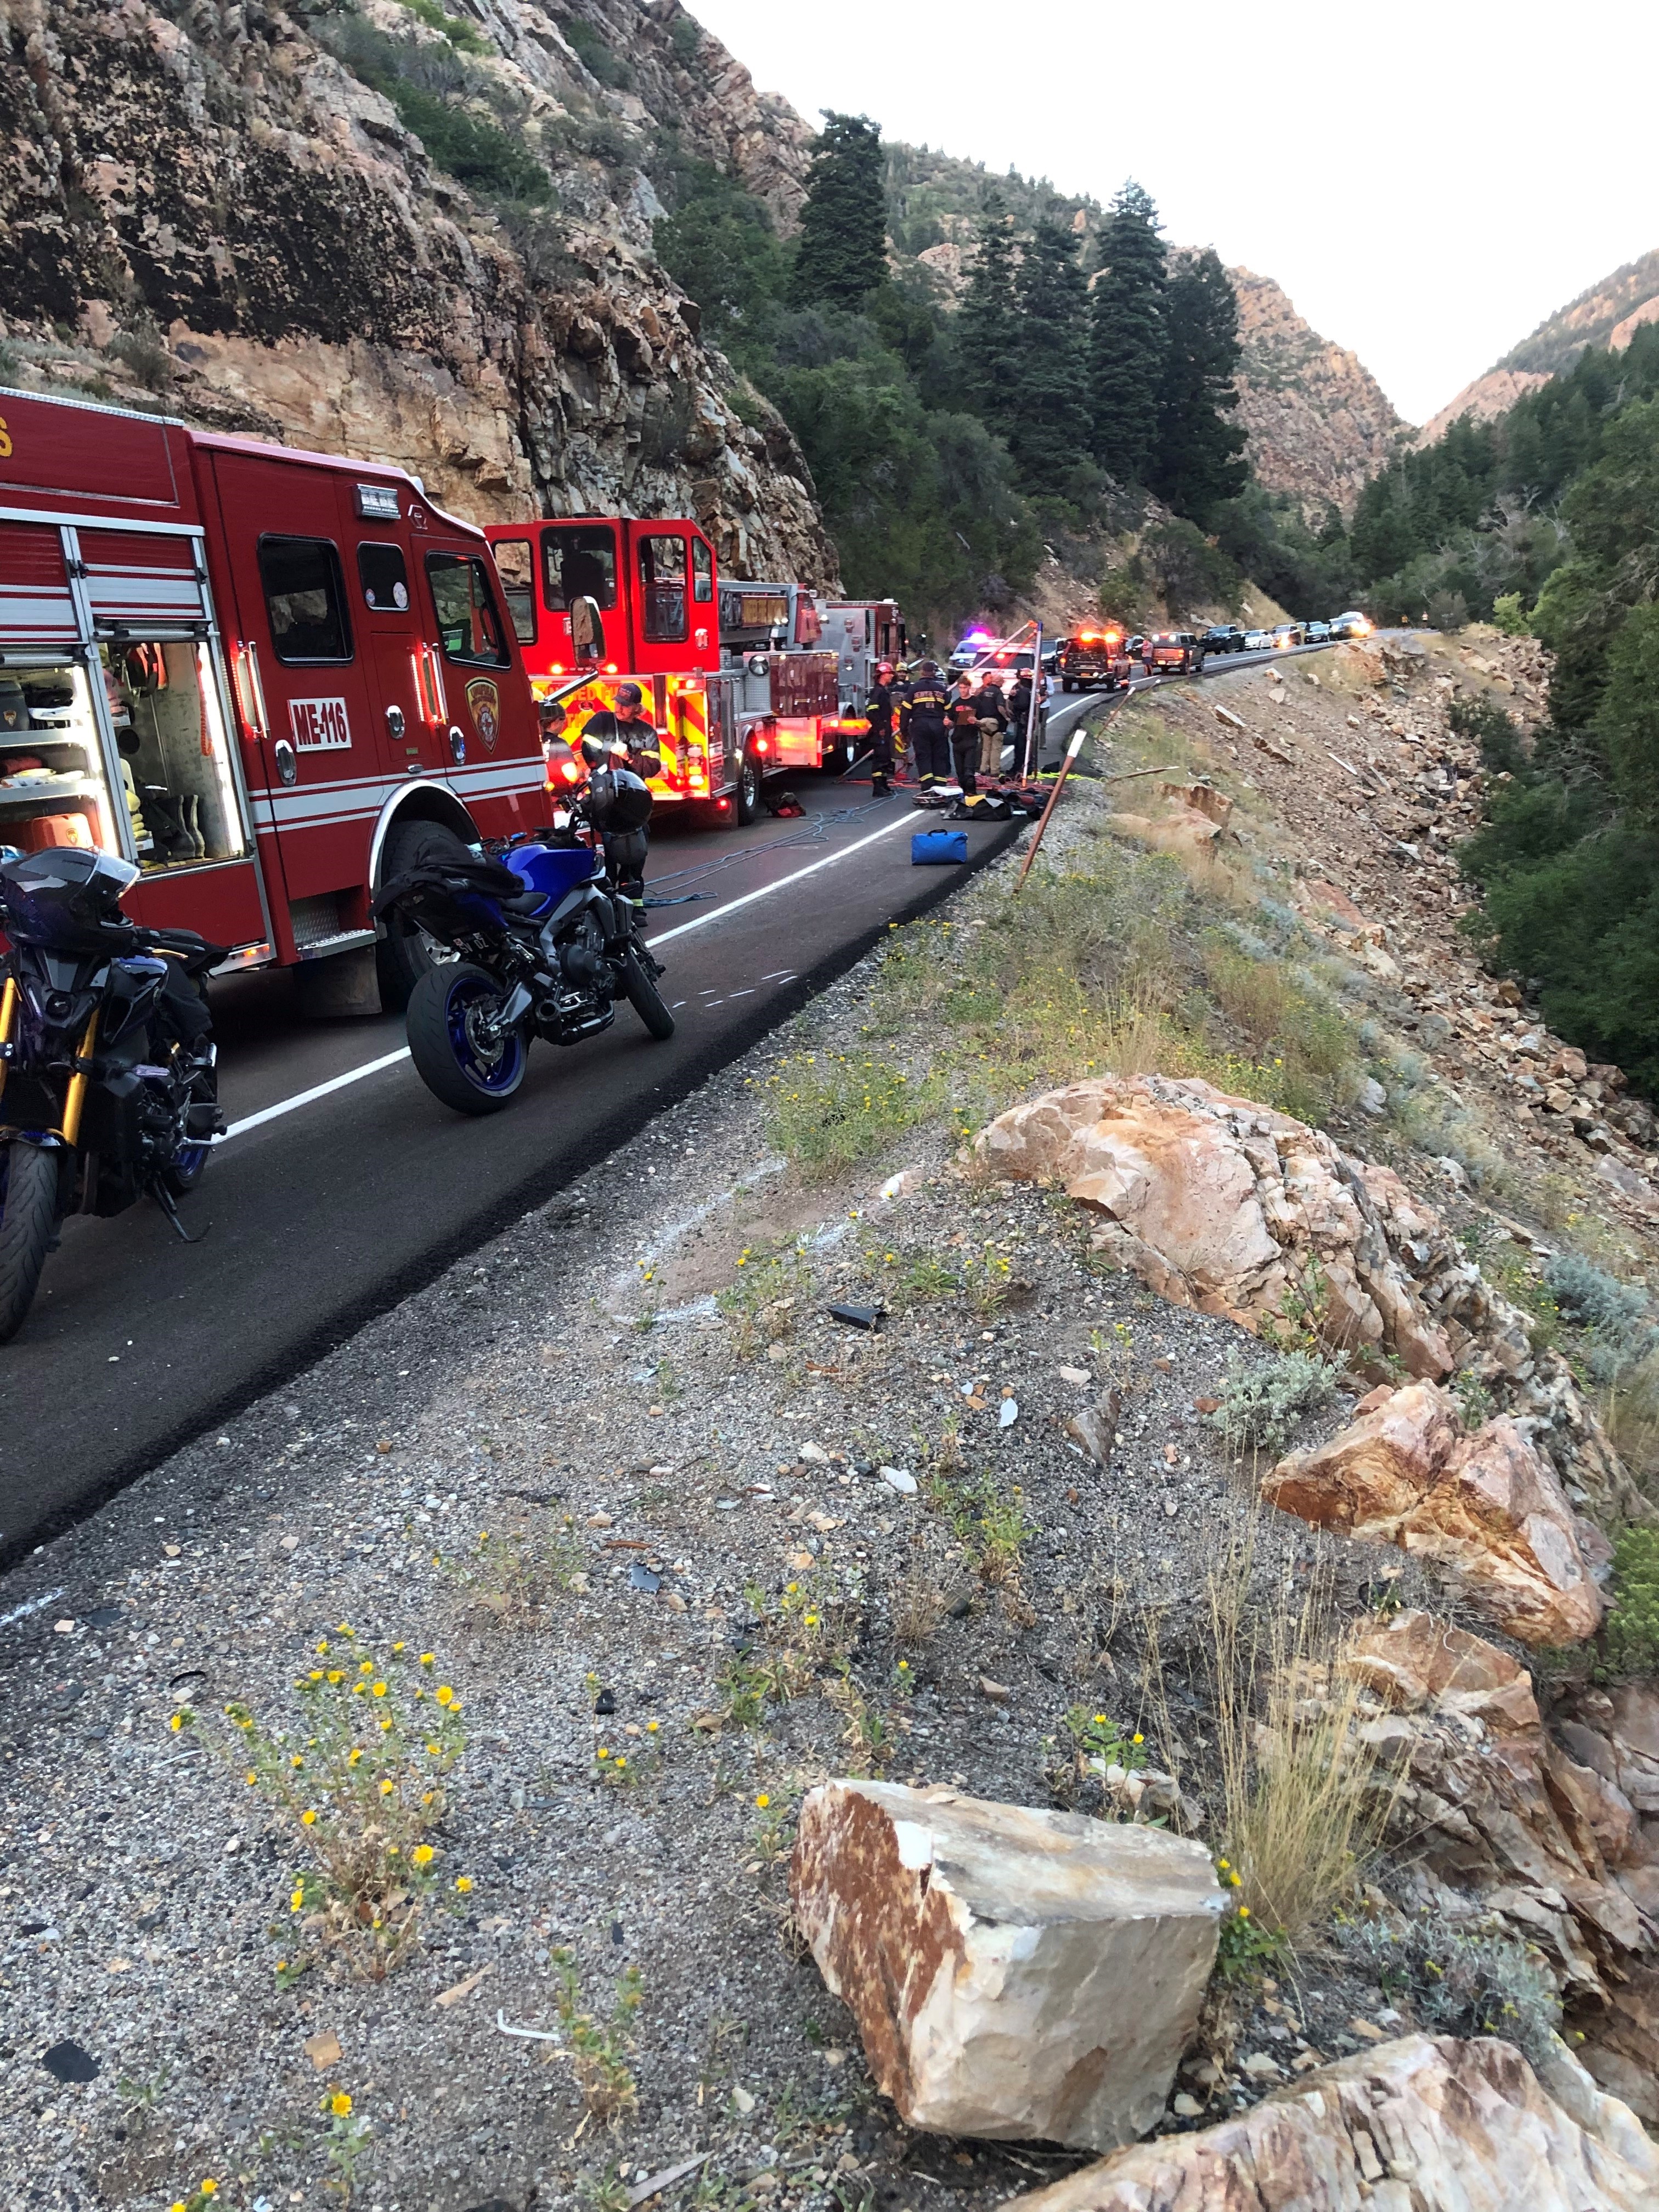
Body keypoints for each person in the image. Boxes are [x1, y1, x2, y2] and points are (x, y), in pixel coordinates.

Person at [578, 682, 662, 910]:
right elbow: (588, 748)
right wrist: (606, 755)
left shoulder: (646, 733)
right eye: (618, 703)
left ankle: (633, 905)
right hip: (604, 799)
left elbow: (653, 767)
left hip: (632, 803)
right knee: (605, 850)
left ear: (637, 707)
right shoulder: (602, 721)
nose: (620, 708)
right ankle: (605, 903)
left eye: (626, 705)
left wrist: (630, 757)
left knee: (635, 852)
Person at [902, 661, 952, 791]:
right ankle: (940, 784)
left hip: (920, 726)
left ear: (922, 672)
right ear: (934, 673)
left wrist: (904, 731)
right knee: (939, 755)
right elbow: (949, 710)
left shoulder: (914, 688)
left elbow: (906, 711)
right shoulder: (941, 689)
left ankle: (927, 785)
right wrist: (948, 725)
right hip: (938, 726)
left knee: (923, 755)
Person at [866, 660, 900, 796]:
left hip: (885, 729)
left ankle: (884, 785)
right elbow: (871, 711)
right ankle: (878, 788)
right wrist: (879, 727)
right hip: (880, 731)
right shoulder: (877, 692)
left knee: (886, 758)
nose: (892, 676)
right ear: (882, 675)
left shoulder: (883, 691)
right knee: (880, 759)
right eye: (889, 673)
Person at [946, 676, 983, 795]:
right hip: (957, 740)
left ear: (969, 688)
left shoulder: (976, 702)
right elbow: (951, 723)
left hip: (971, 739)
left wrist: (976, 721)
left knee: (969, 772)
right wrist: (948, 723)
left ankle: (972, 793)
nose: (963, 690)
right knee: (960, 773)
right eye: (961, 688)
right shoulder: (955, 704)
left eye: (965, 688)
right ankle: (963, 794)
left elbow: (984, 720)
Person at [972, 673, 1009, 783]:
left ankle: (983, 769)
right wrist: (1006, 717)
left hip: (983, 722)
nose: (1003, 683)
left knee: (986, 748)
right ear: (998, 682)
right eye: (1002, 682)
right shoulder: (998, 693)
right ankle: (994, 770)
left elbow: (977, 703)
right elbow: (1000, 707)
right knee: (996, 748)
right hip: (995, 723)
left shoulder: (984, 692)